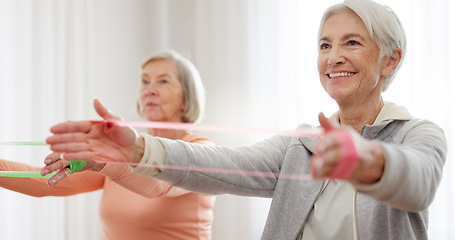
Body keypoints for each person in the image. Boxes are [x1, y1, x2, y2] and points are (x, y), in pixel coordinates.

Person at [45, 0, 447, 239]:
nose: (333, 56)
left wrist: (367, 159)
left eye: (352, 43)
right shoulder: (301, 144)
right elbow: (219, 163)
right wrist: (137, 146)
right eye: (325, 45)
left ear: (390, 60)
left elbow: (418, 181)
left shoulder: (418, 134)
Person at [0, 49, 215, 240]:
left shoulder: (202, 150)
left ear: (187, 98)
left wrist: (111, 161)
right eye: (145, 81)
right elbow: (44, 181)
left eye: (163, 81)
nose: (149, 89)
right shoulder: (122, 151)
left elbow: (159, 184)